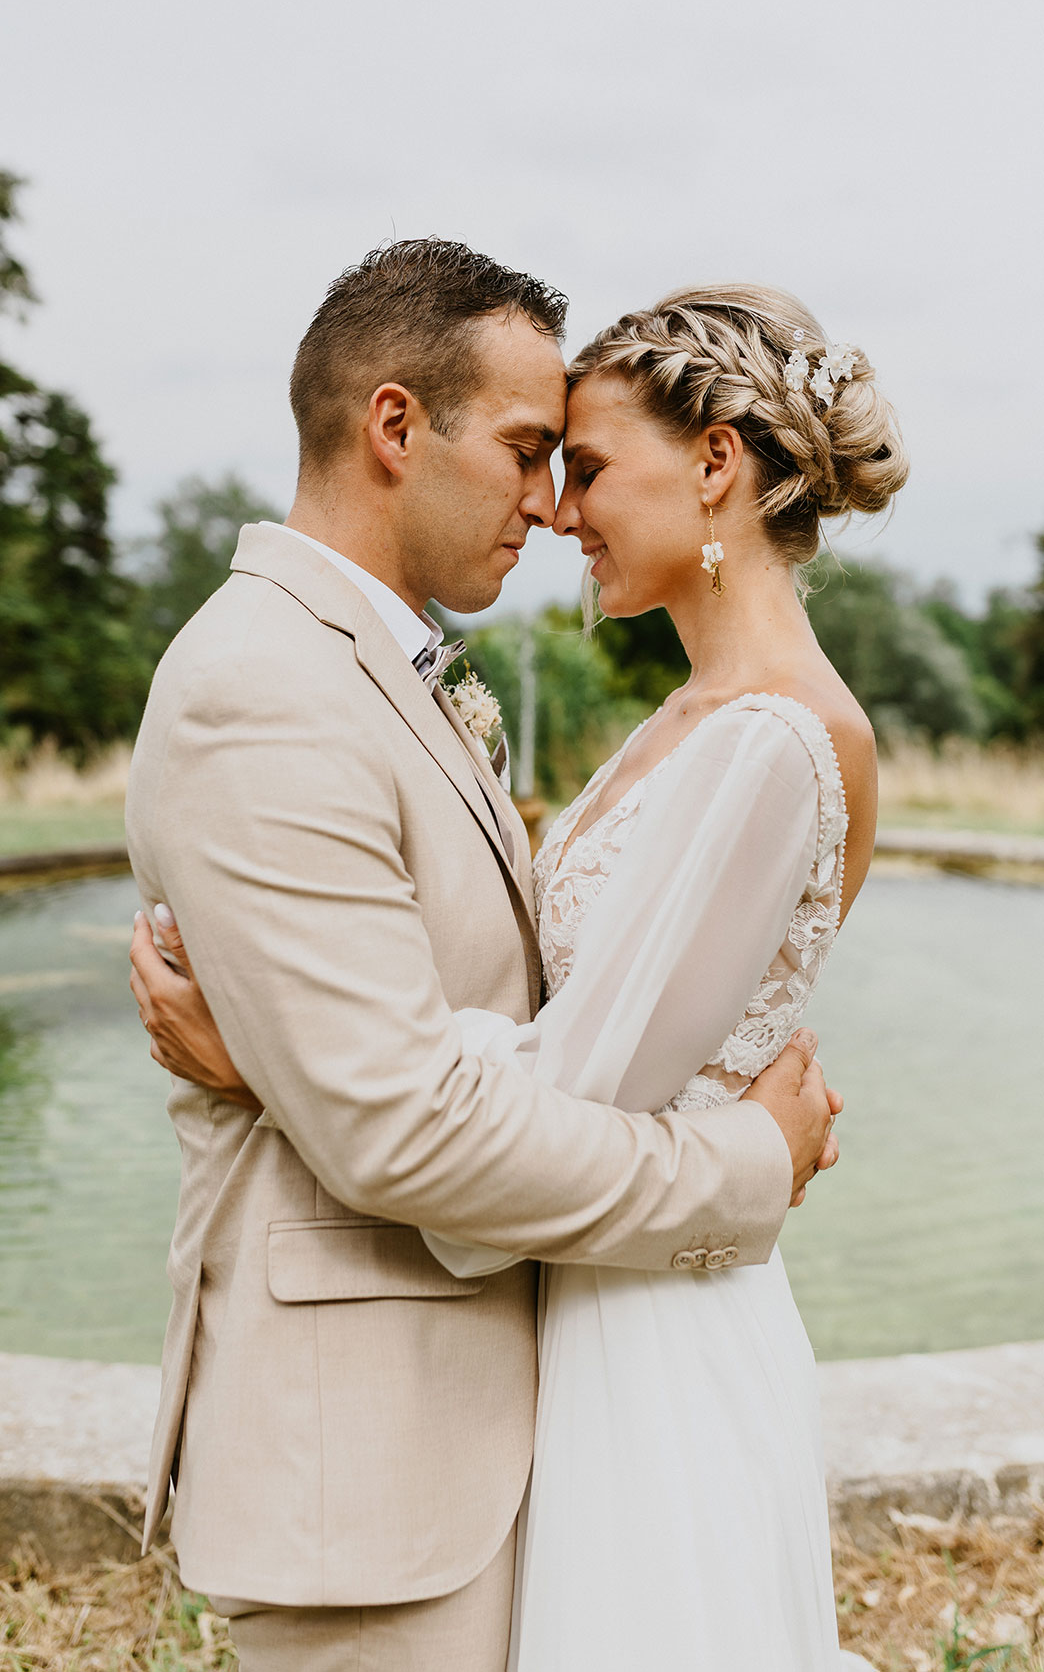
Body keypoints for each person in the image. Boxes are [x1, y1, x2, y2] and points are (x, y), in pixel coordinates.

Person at [125, 242, 839, 1672]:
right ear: (394, 427)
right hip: (375, 1485)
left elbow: (430, 1051)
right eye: (526, 450)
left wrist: (281, 1068)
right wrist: (747, 1170)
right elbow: (399, 1126)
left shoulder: (382, 666)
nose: (551, 498)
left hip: (510, 1421)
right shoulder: (259, 689)